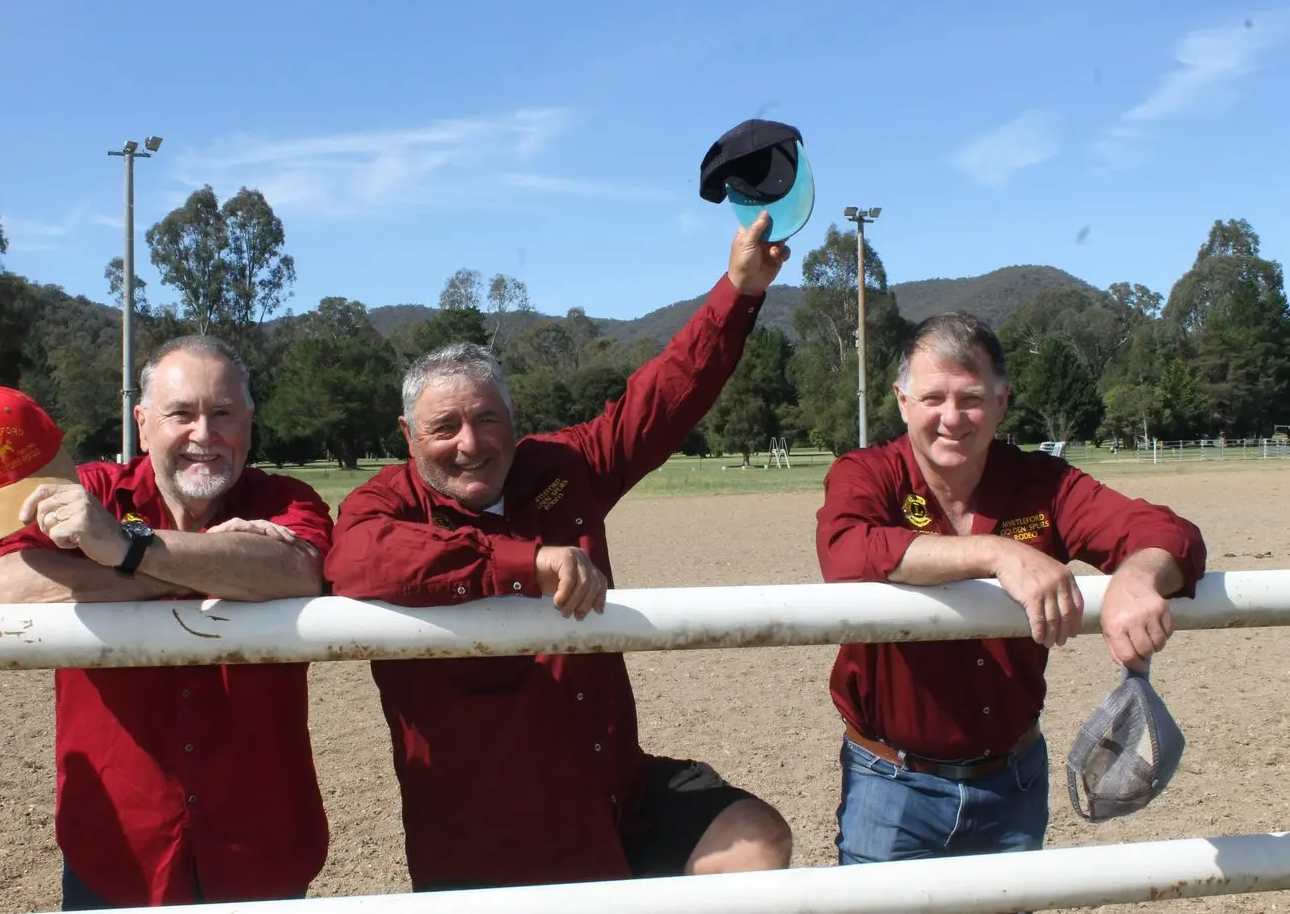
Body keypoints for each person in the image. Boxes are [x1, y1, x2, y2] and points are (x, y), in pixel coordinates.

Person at [325, 211, 794, 891]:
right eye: (444, 426)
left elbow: (663, 396)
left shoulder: (560, 468)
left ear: (513, 420)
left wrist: (739, 289)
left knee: (753, 841)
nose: (470, 441)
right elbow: (358, 559)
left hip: (611, 786)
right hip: (486, 830)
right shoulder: (383, 504)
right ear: (406, 433)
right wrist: (526, 562)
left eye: (487, 418)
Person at [815, 311, 1207, 866]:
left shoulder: (1043, 483)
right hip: (891, 780)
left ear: (1002, 402)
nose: (952, 418)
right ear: (902, 401)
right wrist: (998, 553)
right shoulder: (868, 473)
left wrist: (1139, 575)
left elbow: (1168, 533)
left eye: (971, 397)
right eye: (932, 398)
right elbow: (848, 551)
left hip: (1013, 779)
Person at [0, 336, 332, 909]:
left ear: (250, 422)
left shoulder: (285, 499)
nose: (204, 436)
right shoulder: (89, 494)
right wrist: (204, 567)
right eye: (180, 413)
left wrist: (122, 548)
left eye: (224, 414)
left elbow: (300, 571)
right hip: (118, 850)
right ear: (142, 420)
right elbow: (0, 588)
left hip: (260, 844)